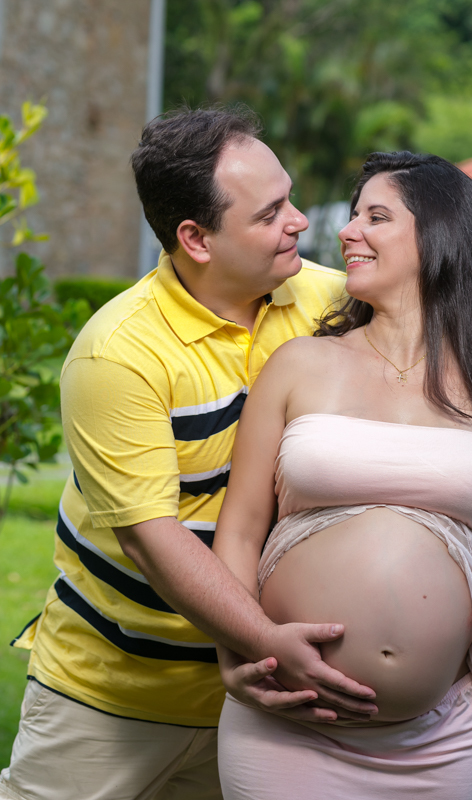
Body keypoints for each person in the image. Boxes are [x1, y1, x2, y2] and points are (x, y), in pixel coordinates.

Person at [0, 107, 378, 800]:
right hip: (115, 696)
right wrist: (267, 639)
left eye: (290, 198)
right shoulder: (119, 353)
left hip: (275, 699)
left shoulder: (331, 303)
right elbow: (153, 540)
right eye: (270, 213)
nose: (298, 220)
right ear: (195, 238)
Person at [213, 151, 472, 799]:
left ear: (439, 235)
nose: (347, 232)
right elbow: (239, 531)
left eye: (375, 216)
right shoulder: (299, 364)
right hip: (288, 723)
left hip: (443, 734)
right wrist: (241, 652)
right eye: (350, 216)